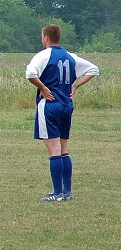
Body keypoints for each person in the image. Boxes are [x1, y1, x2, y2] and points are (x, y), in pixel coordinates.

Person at [25, 24, 99, 202]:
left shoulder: (43, 55)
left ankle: (57, 193)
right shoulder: (70, 56)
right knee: (63, 148)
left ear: (45, 38)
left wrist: (42, 87)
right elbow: (93, 69)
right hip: (66, 105)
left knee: (54, 149)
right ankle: (67, 191)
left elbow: (30, 73)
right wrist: (74, 85)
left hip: (50, 105)